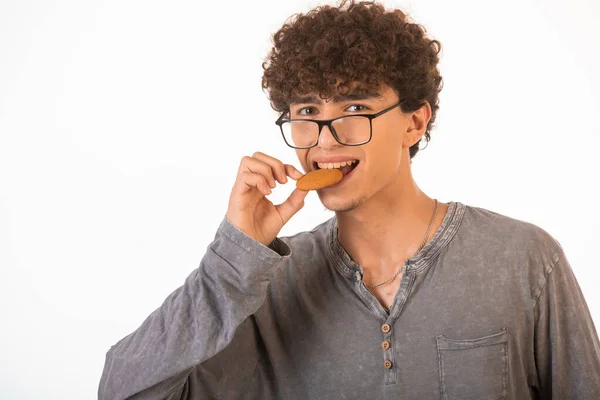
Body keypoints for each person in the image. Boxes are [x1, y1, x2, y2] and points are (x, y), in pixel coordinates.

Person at [98, 1, 600, 399]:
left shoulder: (524, 260)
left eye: (355, 107)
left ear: (415, 122)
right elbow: (122, 390)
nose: (324, 138)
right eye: (307, 110)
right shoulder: (261, 285)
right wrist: (232, 261)